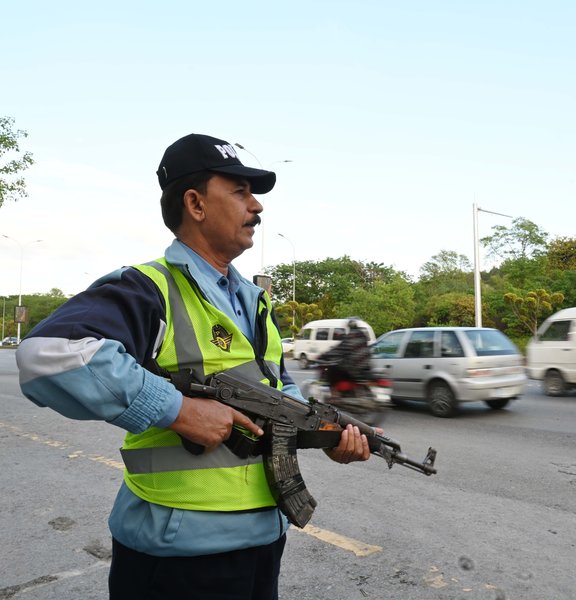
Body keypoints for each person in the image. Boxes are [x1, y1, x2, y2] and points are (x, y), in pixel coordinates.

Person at [16, 133, 375, 600]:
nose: (258, 208)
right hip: (176, 556)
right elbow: (47, 355)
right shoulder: (147, 288)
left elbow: (277, 390)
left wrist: (325, 433)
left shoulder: (253, 300)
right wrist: (177, 410)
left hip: (264, 540)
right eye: (241, 192)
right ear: (196, 203)